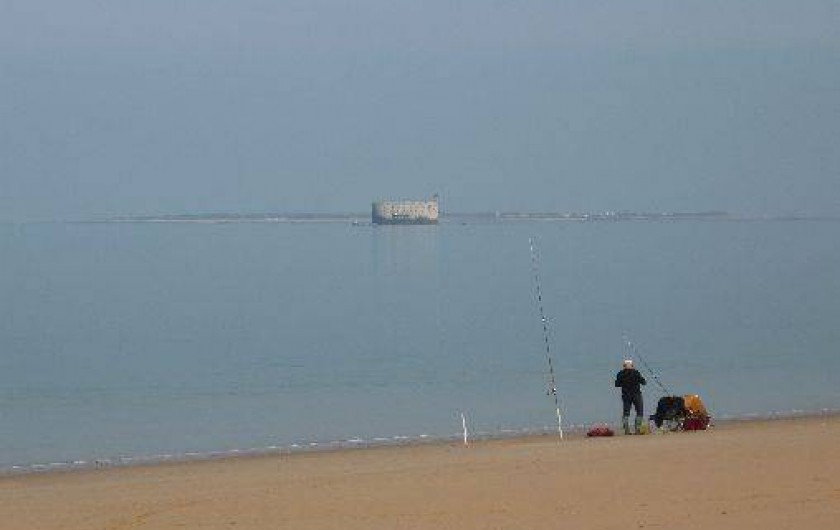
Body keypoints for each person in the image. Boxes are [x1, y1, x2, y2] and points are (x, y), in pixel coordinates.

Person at [615, 359, 647, 434]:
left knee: (626, 413)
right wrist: (643, 379)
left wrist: (623, 383)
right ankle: (637, 430)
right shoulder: (636, 372)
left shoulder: (620, 374)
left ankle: (626, 430)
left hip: (626, 395)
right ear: (632, 366)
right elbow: (644, 382)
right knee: (639, 411)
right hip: (636, 394)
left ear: (624, 366)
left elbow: (617, 384)